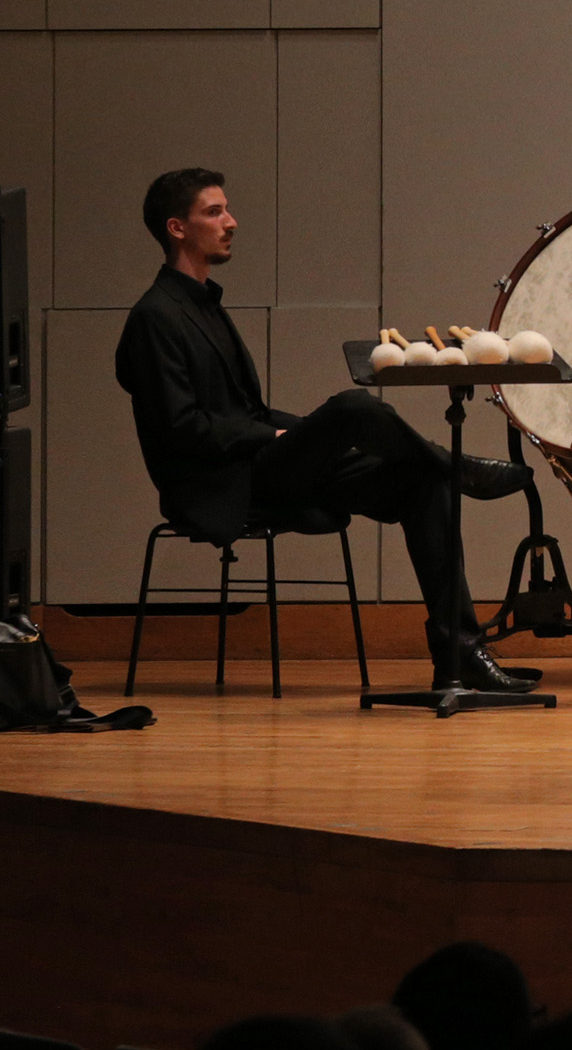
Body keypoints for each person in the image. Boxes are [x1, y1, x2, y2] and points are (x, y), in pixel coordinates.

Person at [116, 168, 539, 703]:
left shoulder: (204, 305)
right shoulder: (155, 317)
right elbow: (182, 431)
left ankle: (460, 654)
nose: (231, 222)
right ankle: (457, 466)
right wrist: (282, 435)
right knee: (353, 406)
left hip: (262, 463)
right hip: (224, 481)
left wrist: (302, 434)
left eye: (227, 209)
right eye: (214, 212)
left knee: (420, 482)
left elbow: (250, 410)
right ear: (177, 228)